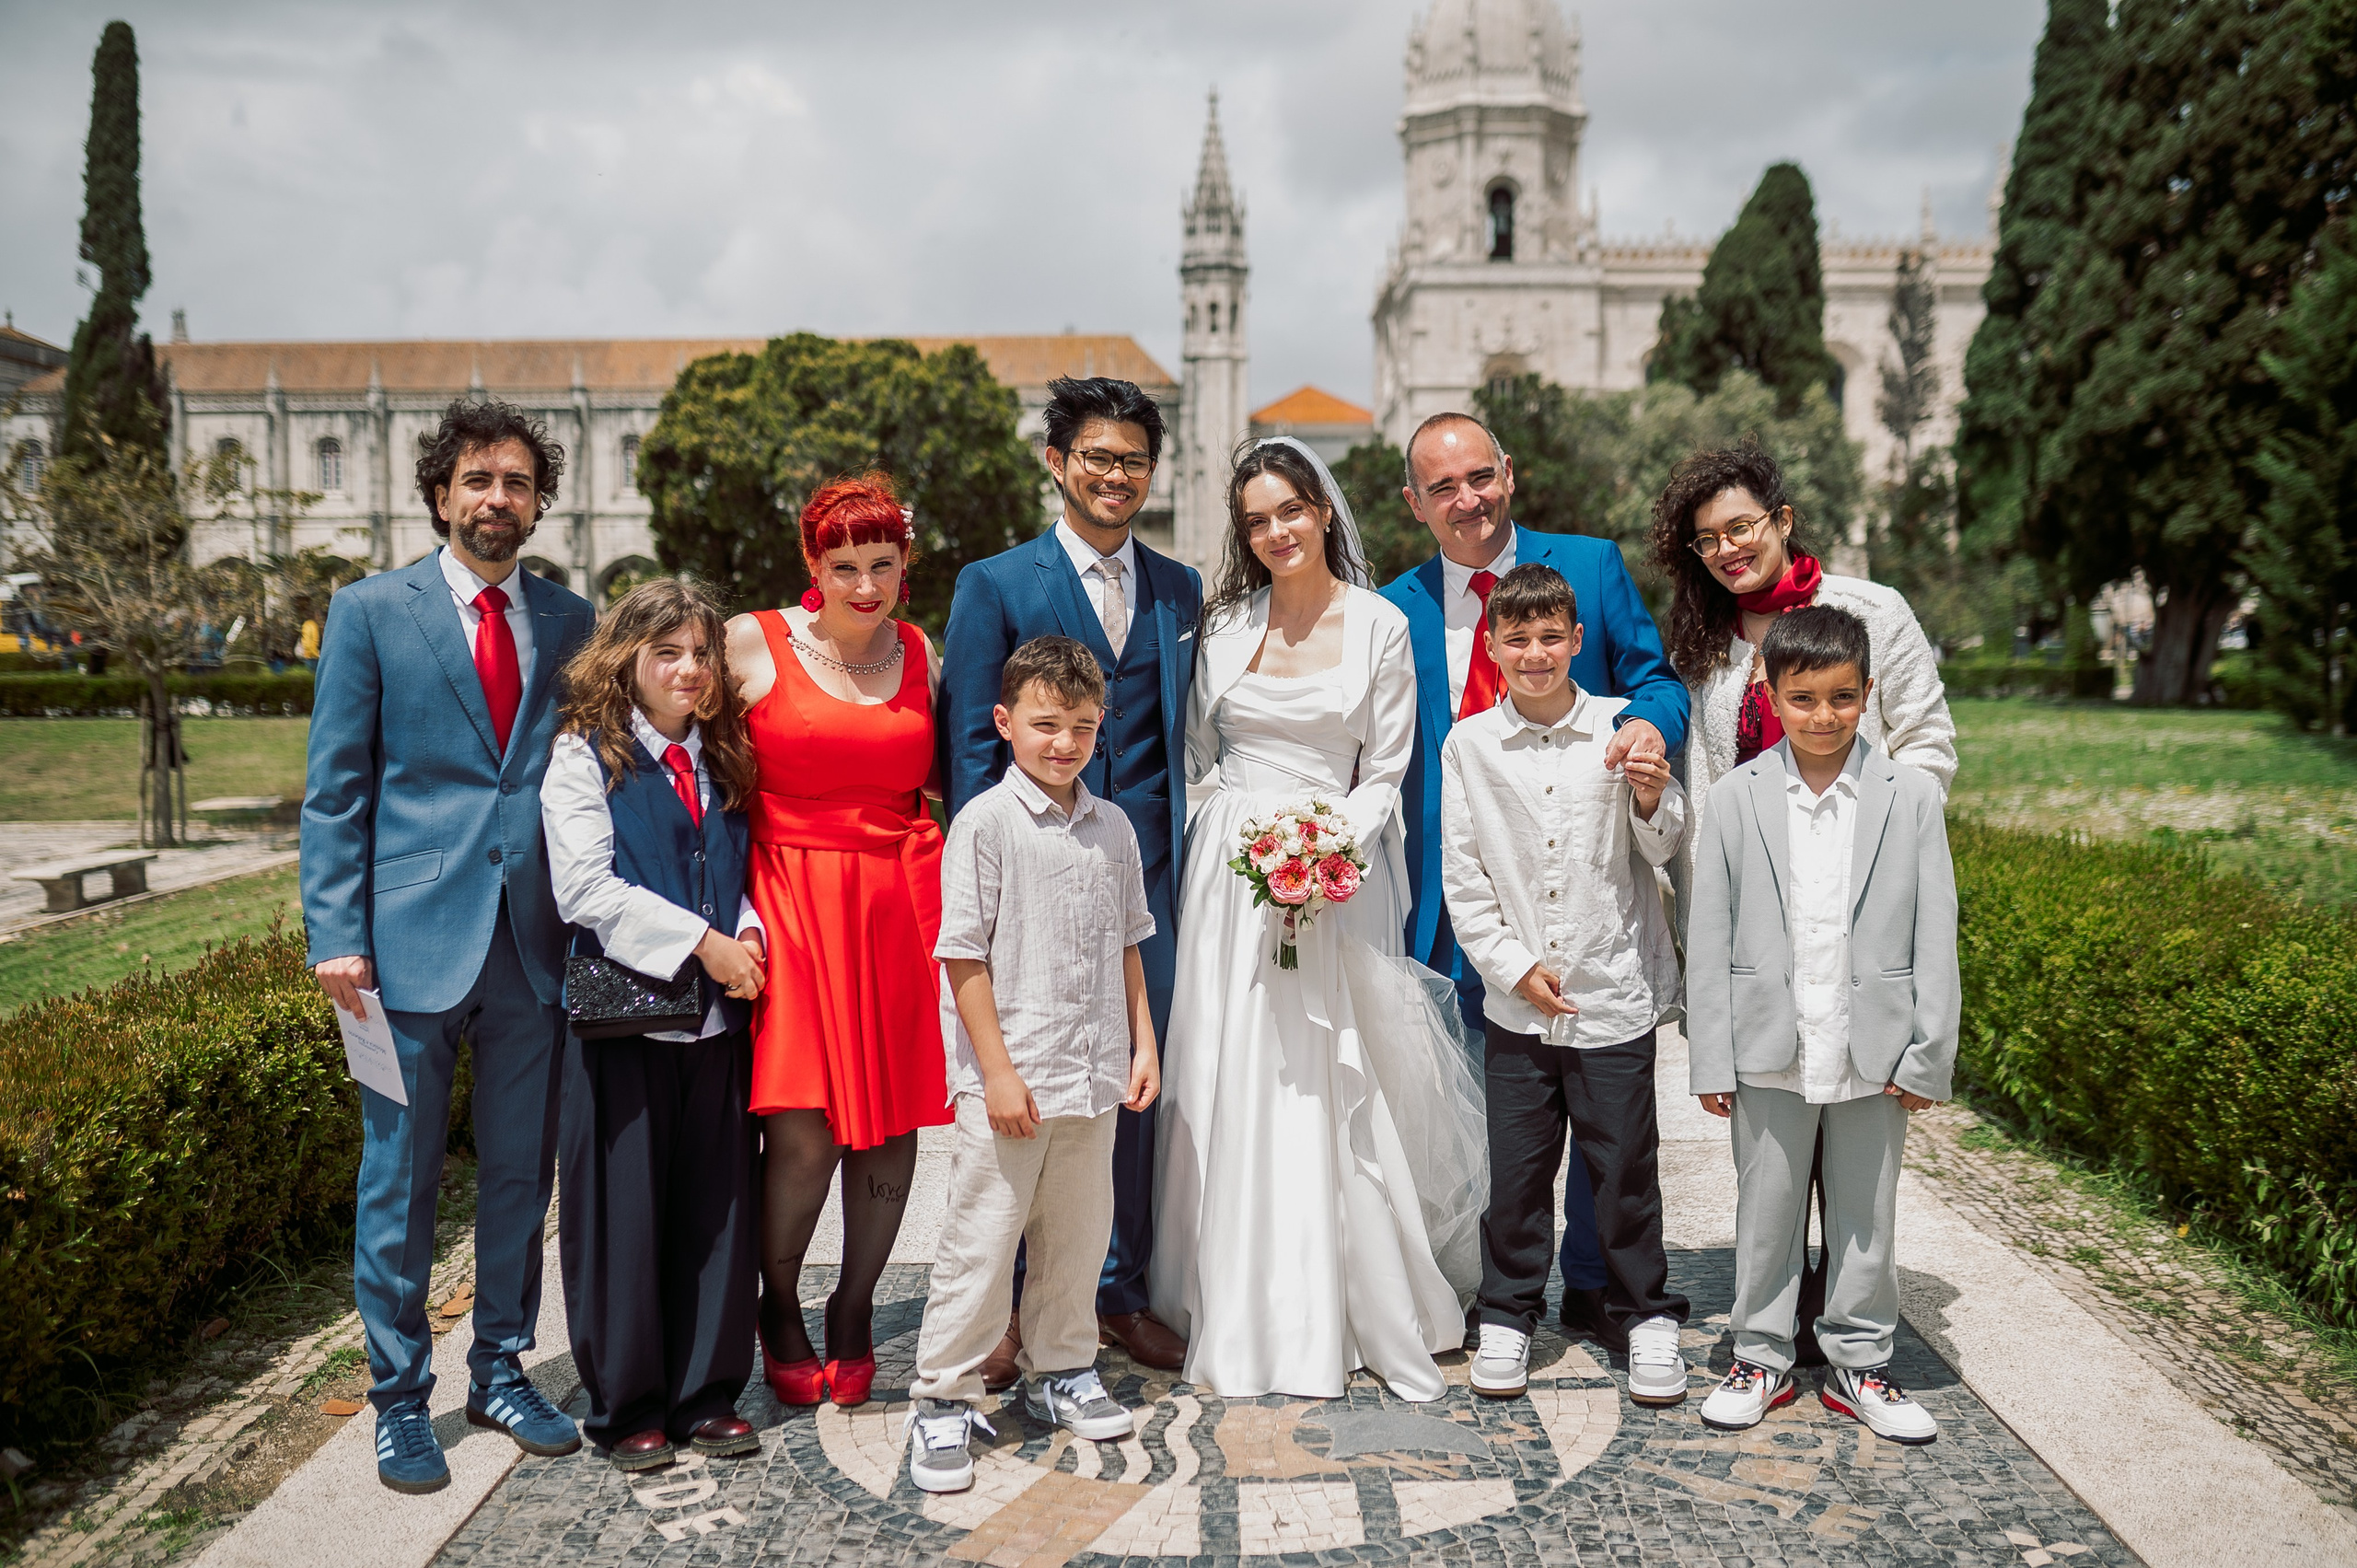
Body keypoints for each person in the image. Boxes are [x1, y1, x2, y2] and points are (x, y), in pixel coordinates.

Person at [1150, 436, 1488, 1403]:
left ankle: (1349, 1294)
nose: (1276, 531)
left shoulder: (1380, 625)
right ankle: (1218, 1287)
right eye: (1256, 520)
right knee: (1226, 1070)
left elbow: (1385, 767)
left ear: (1324, 510)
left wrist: (1326, 854)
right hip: (1227, 878)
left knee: (1322, 1076)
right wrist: (1237, 841)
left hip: (1333, 869)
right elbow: (1193, 754)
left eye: (1289, 510)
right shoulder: (1221, 627)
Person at [301, 399, 596, 1494]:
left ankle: (503, 1366)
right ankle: (397, 1399)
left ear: (536, 502)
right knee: (400, 1180)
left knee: (522, 1174)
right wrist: (335, 933)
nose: (496, 500)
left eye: (517, 483)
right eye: (478, 480)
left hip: (534, 946)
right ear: (441, 494)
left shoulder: (571, 620)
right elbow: (335, 791)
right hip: (405, 945)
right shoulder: (372, 611)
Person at [1380, 412, 1689, 1349]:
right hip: (1456, 899)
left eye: (1479, 476)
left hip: (1587, 892)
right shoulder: (1392, 606)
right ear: (1415, 503)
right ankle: (1493, 1290)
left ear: (1507, 474)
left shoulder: (1586, 567)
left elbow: (1657, 677)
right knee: (1493, 1121)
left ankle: (1604, 1289)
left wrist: (1647, 730)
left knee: (1606, 1113)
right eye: (1443, 486)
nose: (1466, 498)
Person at [1650, 441, 1956, 1364]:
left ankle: (1852, 1319)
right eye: (1706, 540)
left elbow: (1927, 745)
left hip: (1855, 902)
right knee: (1772, 1146)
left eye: (1741, 526)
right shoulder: (1701, 641)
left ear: (1782, 520)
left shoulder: (1871, 612)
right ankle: (1769, 1326)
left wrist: (1870, 838)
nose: (1727, 549)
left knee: (1858, 1129)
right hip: (1747, 920)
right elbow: (1697, 789)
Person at [937, 377, 1202, 1382]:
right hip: (1031, 885)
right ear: (1058, 463)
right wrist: (993, 891)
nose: (1115, 475)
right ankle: (1013, 1307)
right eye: (1096, 456)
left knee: (1129, 1084)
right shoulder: (994, 583)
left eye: (1133, 459)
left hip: (1151, 879)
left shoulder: (1179, 587)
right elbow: (969, 745)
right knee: (1028, 1087)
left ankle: (1117, 1291)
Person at [1687, 606, 1958, 1445]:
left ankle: (1860, 1361)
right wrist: (1710, 1059)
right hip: (1768, 1046)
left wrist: (1929, 1054)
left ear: (1868, 693)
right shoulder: (1736, 796)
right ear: (1771, 696)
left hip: (1872, 1049)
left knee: (1866, 1216)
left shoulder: (1909, 796)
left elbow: (1936, 930)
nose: (1823, 715)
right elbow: (1711, 929)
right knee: (1764, 1210)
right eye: (1802, 698)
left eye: (1843, 697)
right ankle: (1761, 1354)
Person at [908, 636, 1162, 1493]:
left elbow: (1130, 944)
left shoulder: (1114, 826)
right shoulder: (983, 824)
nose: (1064, 742)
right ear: (1005, 721)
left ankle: (1063, 1368)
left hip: (1092, 1074)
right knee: (983, 1240)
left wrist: (1143, 1042)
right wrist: (998, 1072)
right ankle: (942, 1396)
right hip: (1009, 1081)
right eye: (1046, 724)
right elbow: (962, 957)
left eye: (1082, 726)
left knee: (1078, 1237)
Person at [1438, 563, 1691, 1406]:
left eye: (1553, 637)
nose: (1537, 653)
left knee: (1622, 1167)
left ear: (1578, 641)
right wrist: (1513, 968)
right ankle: (1508, 1314)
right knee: (1517, 1172)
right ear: (1493, 645)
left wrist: (1655, 800)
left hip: (1611, 991)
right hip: (1517, 1005)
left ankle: (1644, 1312)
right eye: (1519, 638)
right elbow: (1465, 880)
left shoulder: (1623, 729)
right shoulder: (1468, 744)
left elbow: (1660, 851)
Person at [726, 473, 952, 1411]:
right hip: (788, 897)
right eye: (845, 565)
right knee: (807, 1129)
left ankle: (854, 1307)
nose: (866, 584)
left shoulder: (919, 648)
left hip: (897, 899)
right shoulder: (752, 638)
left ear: (905, 564)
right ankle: (779, 1303)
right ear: (812, 565)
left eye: (883, 564)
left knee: (892, 1126)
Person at [542, 577, 767, 1471]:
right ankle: (627, 1403)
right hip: (625, 1027)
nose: (687, 668)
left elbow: (743, 866)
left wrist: (747, 930)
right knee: (622, 1219)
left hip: (715, 1029)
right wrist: (703, 942)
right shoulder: (581, 756)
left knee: (715, 1210)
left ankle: (707, 1392)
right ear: (626, 658)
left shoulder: (721, 756)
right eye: (666, 651)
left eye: (701, 653)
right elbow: (584, 889)